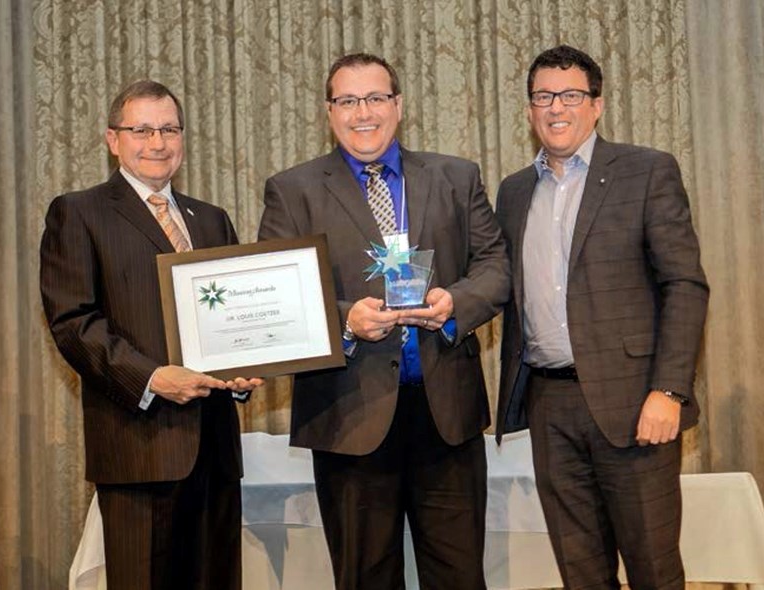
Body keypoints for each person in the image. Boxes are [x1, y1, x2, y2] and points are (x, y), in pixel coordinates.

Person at [258, 53, 510, 590]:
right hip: (349, 417)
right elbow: (282, 297)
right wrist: (347, 319)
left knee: (460, 576)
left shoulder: (456, 177)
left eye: (374, 98)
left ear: (398, 105)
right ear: (329, 111)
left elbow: (495, 267)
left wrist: (455, 304)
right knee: (365, 578)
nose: (362, 113)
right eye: (347, 101)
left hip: (446, 415)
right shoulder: (293, 190)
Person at [494, 45, 709, 589]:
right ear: (528, 110)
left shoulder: (646, 171)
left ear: (597, 105)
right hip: (550, 405)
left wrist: (669, 390)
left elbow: (684, 284)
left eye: (570, 95)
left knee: (653, 570)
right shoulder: (514, 192)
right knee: (581, 574)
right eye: (543, 96)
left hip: (636, 403)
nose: (555, 107)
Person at [40, 80, 261, 590]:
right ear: (112, 139)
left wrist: (245, 370)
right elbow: (73, 323)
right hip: (137, 448)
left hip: (215, 451)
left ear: (183, 138)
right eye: (141, 129)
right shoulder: (79, 212)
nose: (157, 142)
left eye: (168, 129)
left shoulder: (211, 219)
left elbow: (230, 322)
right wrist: (153, 377)